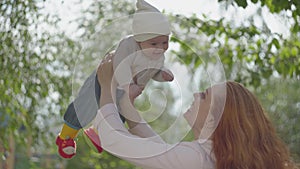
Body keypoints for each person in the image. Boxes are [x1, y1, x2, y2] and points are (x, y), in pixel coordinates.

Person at [92, 54, 298, 169]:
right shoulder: (210, 159)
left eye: (204, 95)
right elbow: (161, 151)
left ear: (213, 121)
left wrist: (106, 86)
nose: (195, 94)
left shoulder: (197, 159)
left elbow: (116, 141)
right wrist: (126, 104)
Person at [55, 0, 174, 159]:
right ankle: (65, 137)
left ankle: (97, 131)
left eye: (165, 42)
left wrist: (162, 75)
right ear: (139, 39)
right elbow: (120, 65)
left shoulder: (157, 55)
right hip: (107, 79)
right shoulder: (128, 45)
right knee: (86, 105)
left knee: (119, 117)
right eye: (154, 43)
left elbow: (152, 72)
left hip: (125, 93)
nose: (160, 47)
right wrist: (128, 85)